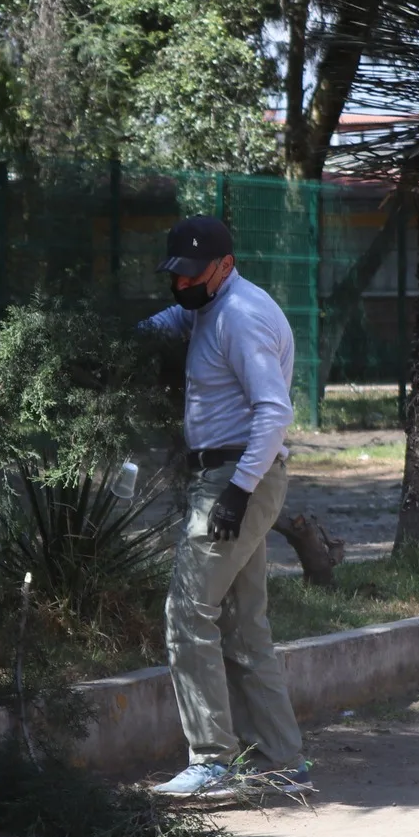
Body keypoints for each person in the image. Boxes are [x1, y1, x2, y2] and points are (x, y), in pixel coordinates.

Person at [140, 216, 311, 798]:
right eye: (177, 274)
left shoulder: (241, 316)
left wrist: (238, 492)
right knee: (243, 624)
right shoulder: (206, 305)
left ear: (225, 266)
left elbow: (274, 411)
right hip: (232, 474)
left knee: (187, 612)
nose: (183, 285)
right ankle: (282, 759)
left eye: (193, 274)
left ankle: (212, 758)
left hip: (236, 478)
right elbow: (166, 323)